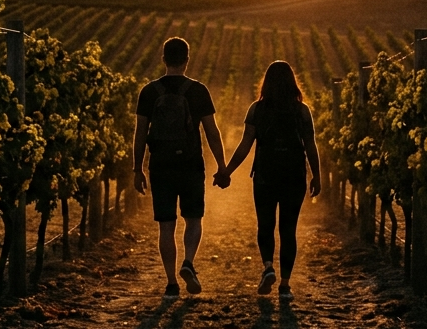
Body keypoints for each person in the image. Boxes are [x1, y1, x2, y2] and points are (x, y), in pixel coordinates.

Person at [217, 60, 321, 300]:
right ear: (292, 82)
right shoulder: (302, 111)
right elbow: (310, 146)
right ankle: (285, 285)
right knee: (288, 229)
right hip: (294, 176)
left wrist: (227, 171)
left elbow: (245, 145)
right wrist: (317, 175)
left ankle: (267, 267)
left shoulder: (257, 109)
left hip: (264, 175)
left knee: (265, 225)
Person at [133, 37, 227, 299]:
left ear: (163, 59)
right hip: (190, 162)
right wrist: (222, 166)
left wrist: (137, 169)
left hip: (161, 164)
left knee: (166, 225)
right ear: (187, 60)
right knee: (193, 219)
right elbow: (212, 132)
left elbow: (140, 133)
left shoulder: (149, 92)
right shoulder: (198, 91)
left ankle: (171, 282)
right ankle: (188, 262)